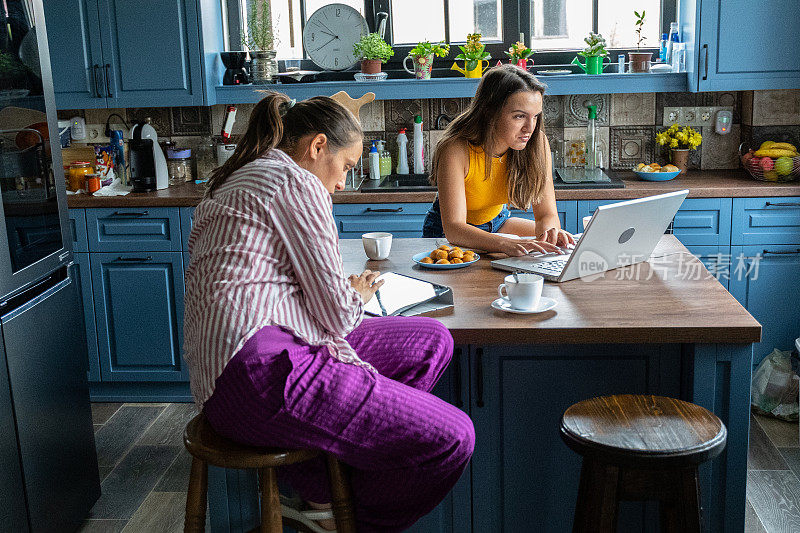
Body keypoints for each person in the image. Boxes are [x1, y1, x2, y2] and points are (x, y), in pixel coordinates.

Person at [183, 92, 474, 533]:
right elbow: (338, 316)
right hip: (260, 375)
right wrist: (354, 293)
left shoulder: (248, 174)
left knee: (430, 339)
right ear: (318, 146)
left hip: (229, 374)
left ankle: (321, 492)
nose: (343, 184)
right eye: (347, 167)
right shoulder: (296, 183)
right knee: (453, 438)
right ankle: (348, 520)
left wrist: (345, 293)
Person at [423, 64, 575, 256]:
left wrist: (550, 234)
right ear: (489, 112)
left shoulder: (536, 143)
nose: (530, 128)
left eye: (535, 117)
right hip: (449, 235)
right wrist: (506, 244)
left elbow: (546, 214)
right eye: (519, 116)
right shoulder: (455, 149)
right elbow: (454, 228)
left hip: (499, 223)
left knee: (565, 242)